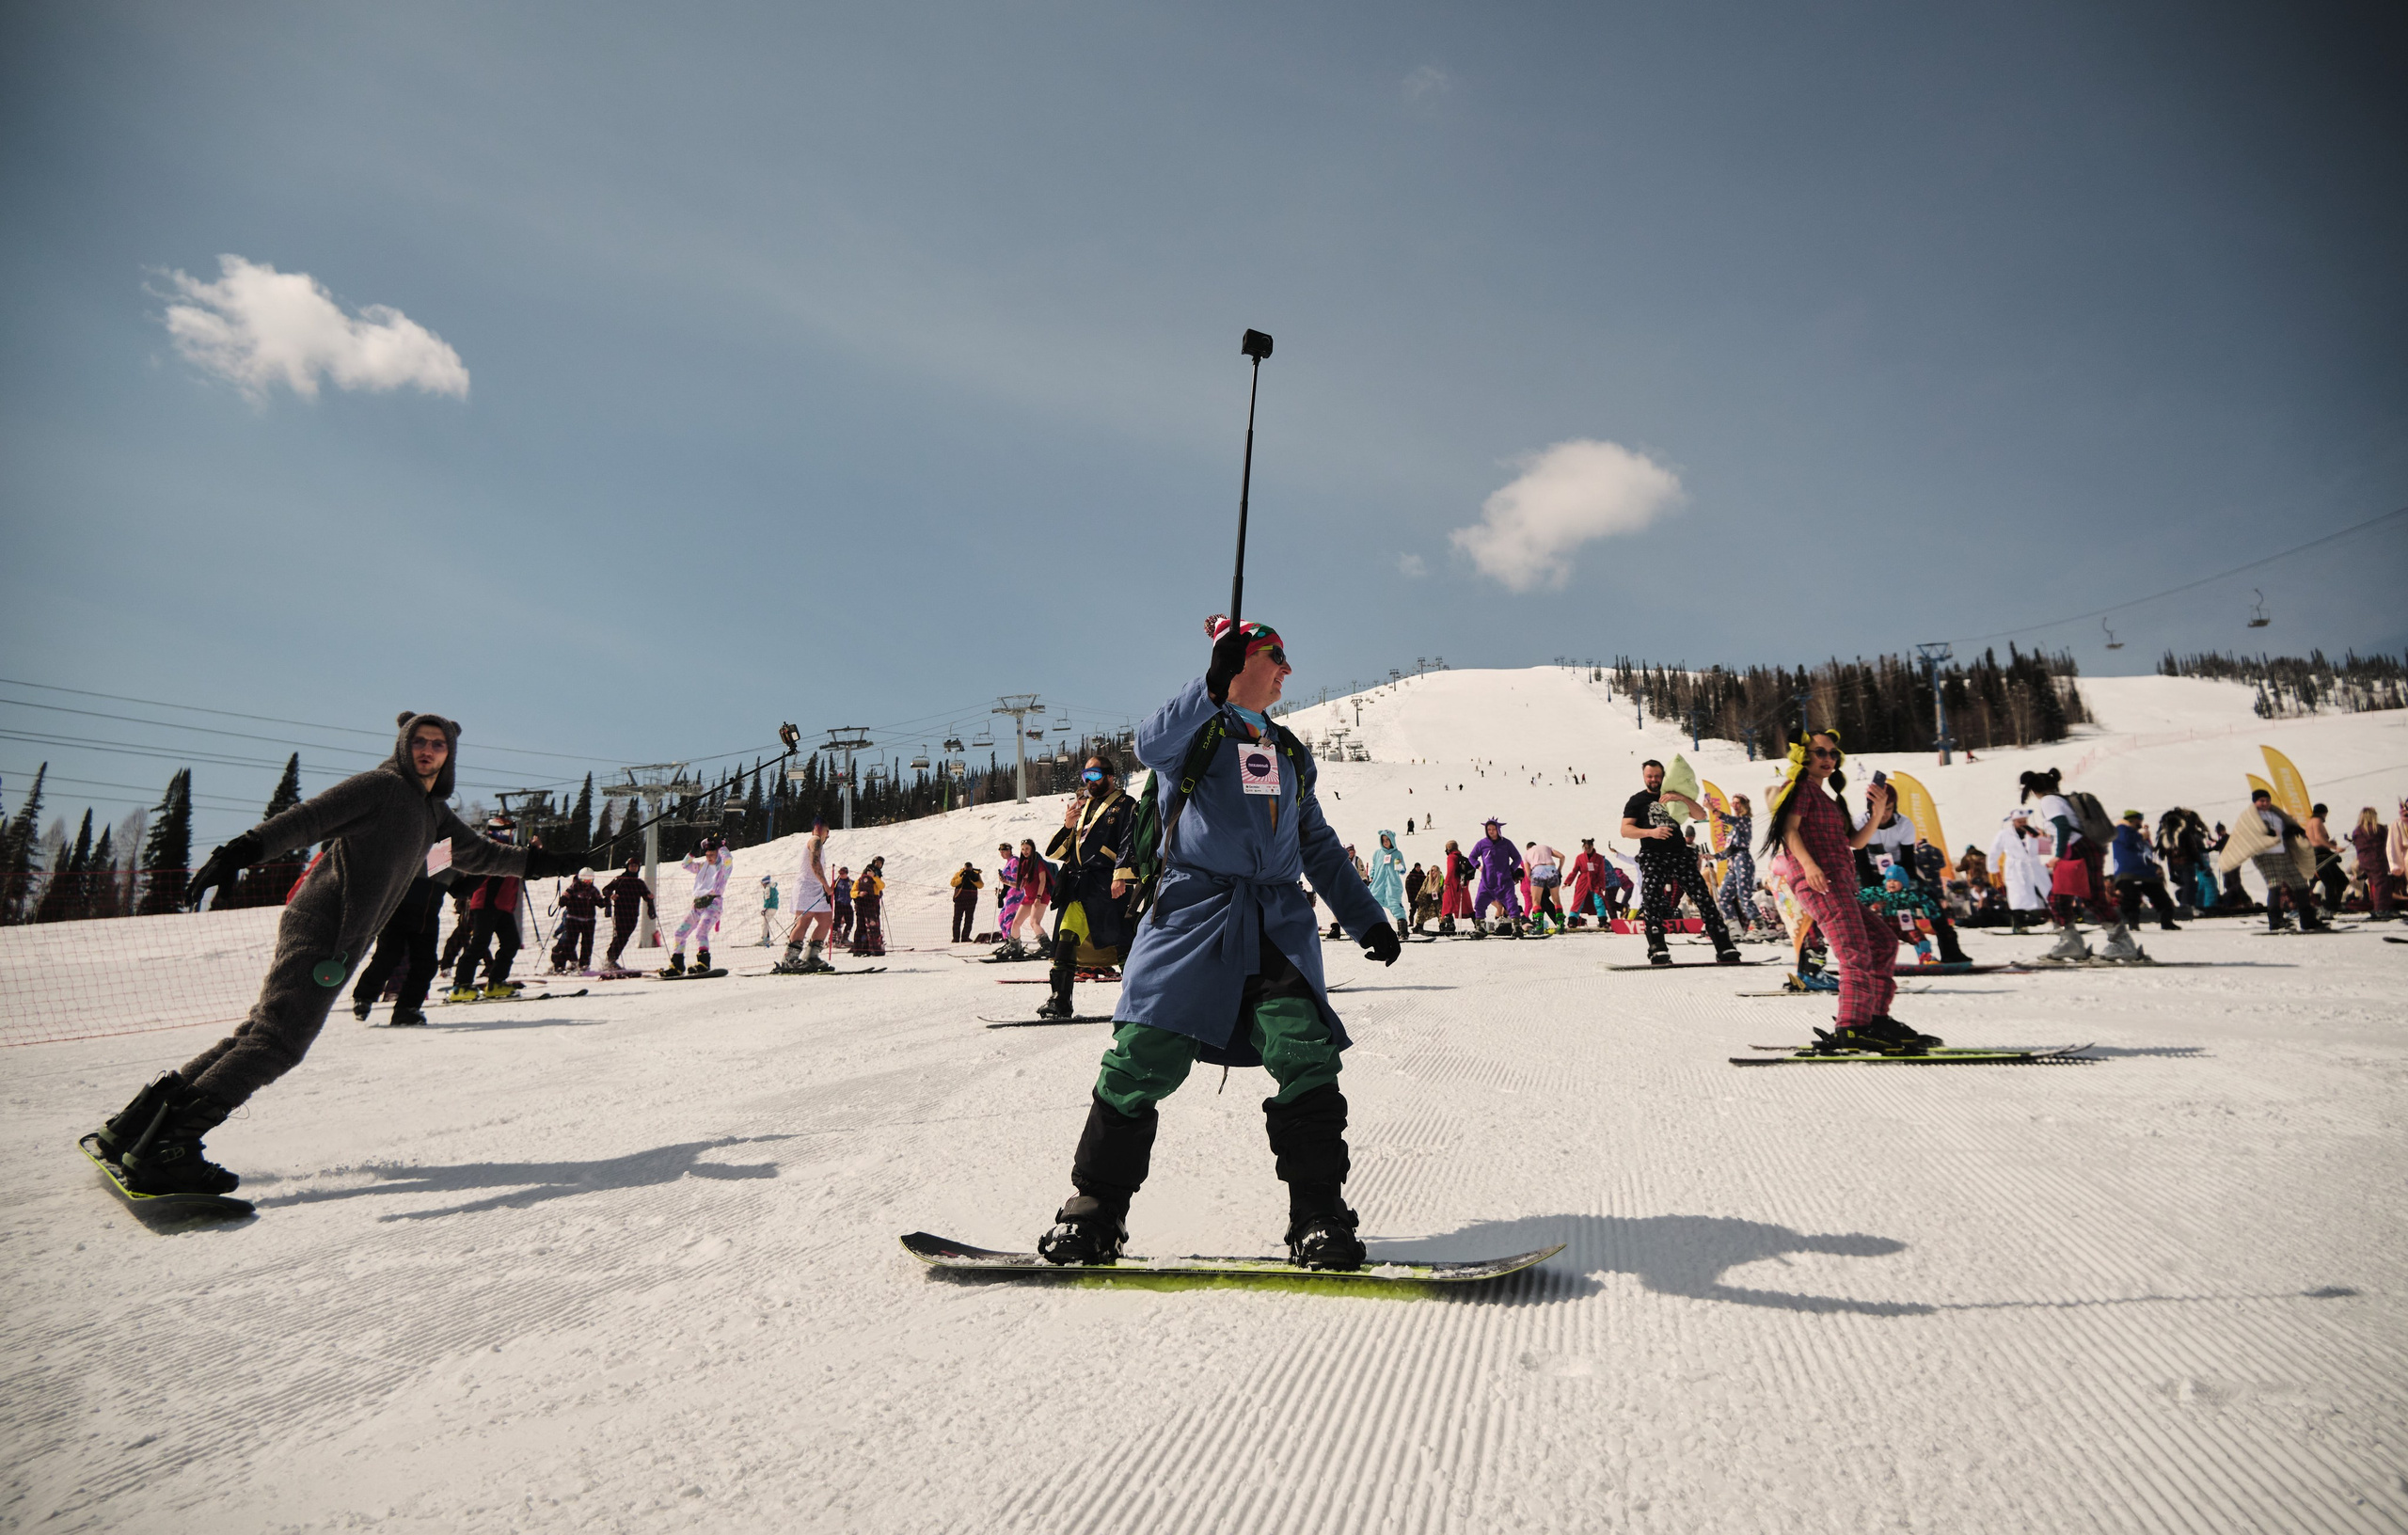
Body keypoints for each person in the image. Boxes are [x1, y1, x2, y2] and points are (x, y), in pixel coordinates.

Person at [1036, 615, 1400, 1272]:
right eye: (1274, 656)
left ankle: (1317, 1216)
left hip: (1276, 925)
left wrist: (1365, 916)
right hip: (1190, 917)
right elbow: (1147, 744)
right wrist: (1210, 685)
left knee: (1305, 1053)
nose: (1287, 669)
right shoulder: (1194, 736)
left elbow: (1313, 840)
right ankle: (1094, 1211)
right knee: (1141, 1055)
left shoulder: (1290, 752)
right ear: (1239, 664)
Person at [87, 713, 576, 1195]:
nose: (427, 750)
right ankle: (169, 1149)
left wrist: (543, 862)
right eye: (420, 741)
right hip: (323, 924)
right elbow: (308, 819)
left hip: (341, 934)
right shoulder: (380, 788)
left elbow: (479, 855)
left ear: (450, 754)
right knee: (279, 1043)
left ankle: (135, 1128)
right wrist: (239, 851)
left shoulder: (432, 816)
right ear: (404, 745)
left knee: (258, 1032)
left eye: (438, 744)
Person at [1762, 732, 1938, 1053]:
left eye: (1832, 753)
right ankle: (1851, 1026)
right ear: (1804, 757)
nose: (1827, 758)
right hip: (1819, 881)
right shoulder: (1799, 789)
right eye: (1819, 752)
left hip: (1840, 884)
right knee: (1854, 950)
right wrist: (1809, 865)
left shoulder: (1827, 798)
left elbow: (1855, 842)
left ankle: (1874, 1018)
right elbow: (1788, 829)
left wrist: (1878, 809)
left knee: (1882, 943)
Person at [1036, 756, 1138, 1020]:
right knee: (1066, 938)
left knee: (1122, 942)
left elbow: (1129, 841)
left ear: (1110, 776)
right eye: (1085, 776)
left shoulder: (1126, 804)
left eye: (1094, 775)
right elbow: (1062, 852)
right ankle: (1060, 1000)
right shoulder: (1086, 808)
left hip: (1107, 885)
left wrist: (1121, 876)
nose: (1089, 782)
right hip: (1077, 886)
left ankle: (1137, 1000)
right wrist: (1069, 826)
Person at [1623, 760, 1739, 964]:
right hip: (1652, 854)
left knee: (1702, 895)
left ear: (1663, 776)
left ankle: (1724, 945)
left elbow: (1700, 815)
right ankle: (1657, 947)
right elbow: (1625, 830)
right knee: (1651, 897)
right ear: (1644, 776)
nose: (1653, 780)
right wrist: (1651, 832)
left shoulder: (1674, 795)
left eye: (1657, 776)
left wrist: (1680, 797)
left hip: (1679, 852)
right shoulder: (1637, 800)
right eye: (1650, 776)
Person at [2021, 768, 2142, 962]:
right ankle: (2077, 941)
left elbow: (2062, 826)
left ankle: (2116, 942)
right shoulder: (2061, 800)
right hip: (2084, 848)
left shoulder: (2048, 801)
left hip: (2075, 850)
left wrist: (2058, 855)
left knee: (2080, 898)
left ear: (2034, 790)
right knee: (2064, 897)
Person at [448, 818, 529, 1001]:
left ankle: (496, 983)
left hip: (503, 905)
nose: (511, 836)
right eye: (508, 832)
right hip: (487, 903)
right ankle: (461, 986)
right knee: (479, 943)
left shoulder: (507, 850)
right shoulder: (491, 849)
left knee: (511, 943)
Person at [350, 874, 443, 1026]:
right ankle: (364, 997)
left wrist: (478, 876)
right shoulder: (438, 852)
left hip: (427, 915)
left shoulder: (453, 860)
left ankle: (406, 1010)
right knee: (389, 956)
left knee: (425, 964)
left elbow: (460, 890)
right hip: (399, 907)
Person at [2230, 787, 2324, 932]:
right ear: (2255, 802)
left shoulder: (2276, 815)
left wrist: (2292, 830)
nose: (2265, 803)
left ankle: (2308, 920)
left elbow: (2282, 833)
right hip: (2265, 855)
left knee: (2301, 886)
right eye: (2261, 800)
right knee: (2275, 886)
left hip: (2282, 854)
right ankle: (2275, 921)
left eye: (2267, 800)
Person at [774, 819, 839, 973]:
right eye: (827, 832)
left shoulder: (819, 844)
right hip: (806, 888)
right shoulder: (815, 841)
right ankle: (790, 959)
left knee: (826, 920)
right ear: (824, 831)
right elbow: (814, 863)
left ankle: (811, 956)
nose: (827, 836)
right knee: (804, 921)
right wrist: (826, 885)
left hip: (816, 888)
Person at [660, 836, 732, 976]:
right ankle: (677, 964)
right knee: (679, 933)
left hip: (713, 904)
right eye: (707, 855)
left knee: (701, 931)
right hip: (697, 905)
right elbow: (685, 864)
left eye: (712, 854)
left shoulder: (723, 868)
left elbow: (728, 859)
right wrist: (692, 852)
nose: (709, 857)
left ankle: (703, 962)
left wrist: (721, 847)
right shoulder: (701, 867)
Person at [2111, 810, 2181, 930]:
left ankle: (2166, 922)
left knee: (2162, 898)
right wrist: (2140, 836)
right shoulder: (2121, 828)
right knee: (2130, 901)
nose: (2141, 823)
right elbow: (2127, 840)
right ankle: (2134, 924)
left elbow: (2147, 852)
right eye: (2139, 820)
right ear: (2133, 820)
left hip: (2146, 872)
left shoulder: (2135, 833)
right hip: (2128, 872)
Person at [1711, 795, 1766, 940]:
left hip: (1743, 861)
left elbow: (1728, 819)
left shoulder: (1744, 821)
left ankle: (1760, 927)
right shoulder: (1733, 829)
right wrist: (1714, 857)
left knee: (1744, 895)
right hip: (1732, 863)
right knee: (1724, 896)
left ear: (1745, 805)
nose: (1735, 806)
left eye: (1738, 803)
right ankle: (1734, 927)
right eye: (1733, 803)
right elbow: (1730, 850)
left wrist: (1713, 810)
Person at [1988, 809, 2050, 934]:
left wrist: (2043, 837)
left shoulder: (2034, 832)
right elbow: (1994, 851)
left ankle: (2058, 921)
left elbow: (2046, 847)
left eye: (2024, 821)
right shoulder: (2004, 834)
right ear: (2013, 822)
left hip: (2035, 866)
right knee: (2017, 897)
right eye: (2019, 821)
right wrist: (1993, 868)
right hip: (2016, 869)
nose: (2022, 823)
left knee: (2047, 893)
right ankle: (2018, 924)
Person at [1466, 818, 1525, 936]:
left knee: (1511, 903)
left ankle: (1517, 928)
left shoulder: (1506, 843)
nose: (1491, 831)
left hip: (1504, 881)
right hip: (1487, 881)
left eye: (1493, 829)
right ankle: (1480, 928)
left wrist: (1511, 869)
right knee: (1479, 903)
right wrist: (1478, 866)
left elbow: (1517, 857)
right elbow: (1472, 857)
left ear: (1498, 830)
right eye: (1489, 829)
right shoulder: (1482, 844)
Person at [600, 856, 656, 974]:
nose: (633, 868)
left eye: (636, 866)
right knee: (620, 936)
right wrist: (611, 896)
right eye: (632, 866)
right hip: (620, 913)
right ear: (627, 866)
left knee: (624, 937)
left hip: (633, 914)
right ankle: (610, 959)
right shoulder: (620, 879)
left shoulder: (639, 883)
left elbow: (646, 895)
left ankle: (611, 960)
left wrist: (649, 897)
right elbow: (605, 889)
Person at [551, 867, 604, 972]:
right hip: (573, 920)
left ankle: (584, 964)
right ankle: (559, 965)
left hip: (589, 921)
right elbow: (564, 899)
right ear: (580, 879)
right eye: (585, 880)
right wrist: (564, 900)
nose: (587, 883)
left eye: (589, 880)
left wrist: (605, 900)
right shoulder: (573, 888)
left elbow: (600, 903)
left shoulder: (593, 890)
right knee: (570, 943)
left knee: (587, 943)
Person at [2349, 806, 2393, 918]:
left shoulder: (2357, 831)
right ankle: (2381, 909)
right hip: (2377, 859)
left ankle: (2379, 906)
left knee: (2375, 883)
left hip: (2363, 860)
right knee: (2382, 884)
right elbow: (2387, 841)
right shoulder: (2378, 829)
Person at [2304, 804, 2348, 915]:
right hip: (2321, 855)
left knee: (2336, 880)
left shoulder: (2310, 822)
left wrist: (2329, 845)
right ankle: (2331, 905)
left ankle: (2333, 904)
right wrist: (2334, 847)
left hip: (2317, 854)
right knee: (2333, 881)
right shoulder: (2317, 821)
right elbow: (2318, 838)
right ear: (2323, 812)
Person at [1367, 831, 1408, 934]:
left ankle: (1403, 930)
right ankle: (1372, 929)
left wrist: (1400, 866)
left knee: (1395, 905)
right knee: (1373, 905)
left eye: (1387, 840)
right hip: (1378, 885)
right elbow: (1374, 867)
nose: (1385, 842)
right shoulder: (1378, 853)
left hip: (1392, 885)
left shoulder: (1397, 854)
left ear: (1392, 840)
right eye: (1383, 840)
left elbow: (1402, 870)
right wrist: (1371, 877)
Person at [1565, 838, 1610, 926]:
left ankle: (1603, 921)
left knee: (1599, 901)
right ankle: (1572, 921)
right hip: (1583, 882)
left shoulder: (1599, 858)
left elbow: (1601, 873)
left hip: (1595, 883)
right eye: (1585, 848)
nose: (1587, 850)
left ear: (1592, 847)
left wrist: (1601, 886)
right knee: (1578, 901)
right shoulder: (1579, 858)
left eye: (1588, 848)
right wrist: (1568, 882)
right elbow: (1575, 871)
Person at [1524, 840, 1566, 933]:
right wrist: (1559, 869)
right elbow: (1562, 857)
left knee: (1536, 900)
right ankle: (1560, 925)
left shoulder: (1527, 854)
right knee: (1556, 900)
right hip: (1552, 869)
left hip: (1538, 870)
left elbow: (1528, 874)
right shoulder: (1546, 847)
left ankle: (1539, 926)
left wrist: (1536, 884)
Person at [849, 857, 888, 957]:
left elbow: (881, 886)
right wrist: (859, 893)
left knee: (873, 927)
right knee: (861, 927)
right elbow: (852, 893)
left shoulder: (876, 878)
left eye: (880, 863)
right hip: (862, 905)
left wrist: (874, 877)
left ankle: (874, 948)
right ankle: (860, 949)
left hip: (873, 905)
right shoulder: (860, 880)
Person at [1436, 838, 1472, 935]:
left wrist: (1446, 883)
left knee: (1448, 905)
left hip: (1453, 885)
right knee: (1466, 905)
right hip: (1462, 885)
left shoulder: (1452, 857)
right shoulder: (1460, 857)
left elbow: (1451, 870)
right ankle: (1478, 923)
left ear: (1449, 848)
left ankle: (1450, 925)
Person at [949, 860, 984, 942]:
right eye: (966, 868)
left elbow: (981, 885)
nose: (967, 869)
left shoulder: (975, 874)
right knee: (957, 919)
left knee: (969, 919)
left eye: (969, 868)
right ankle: (956, 938)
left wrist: (972, 879)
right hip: (960, 899)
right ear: (964, 867)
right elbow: (952, 883)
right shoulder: (959, 873)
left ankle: (965, 937)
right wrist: (962, 878)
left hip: (971, 900)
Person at [831, 864, 854, 945]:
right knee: (837, 921)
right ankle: (833, 939)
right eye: (840, 873)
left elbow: (854, 892)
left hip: (847, 904)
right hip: (839, 904)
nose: (841, 874)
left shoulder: (851, 883)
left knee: (850, 921)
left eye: (843, 873)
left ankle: (845, 938)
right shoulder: (836, 882)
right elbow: (830, 892)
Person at [756, 874, 780, 945]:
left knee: (764, 923)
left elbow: (768, 899)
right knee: (766, 923)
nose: (762, 885)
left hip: (769, 907)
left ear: (764, 883)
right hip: (774, 907)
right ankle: (767, 938)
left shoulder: (768, 888)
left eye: (762, 883)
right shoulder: (773, 887)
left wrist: (764, 909)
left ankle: (764, 939)